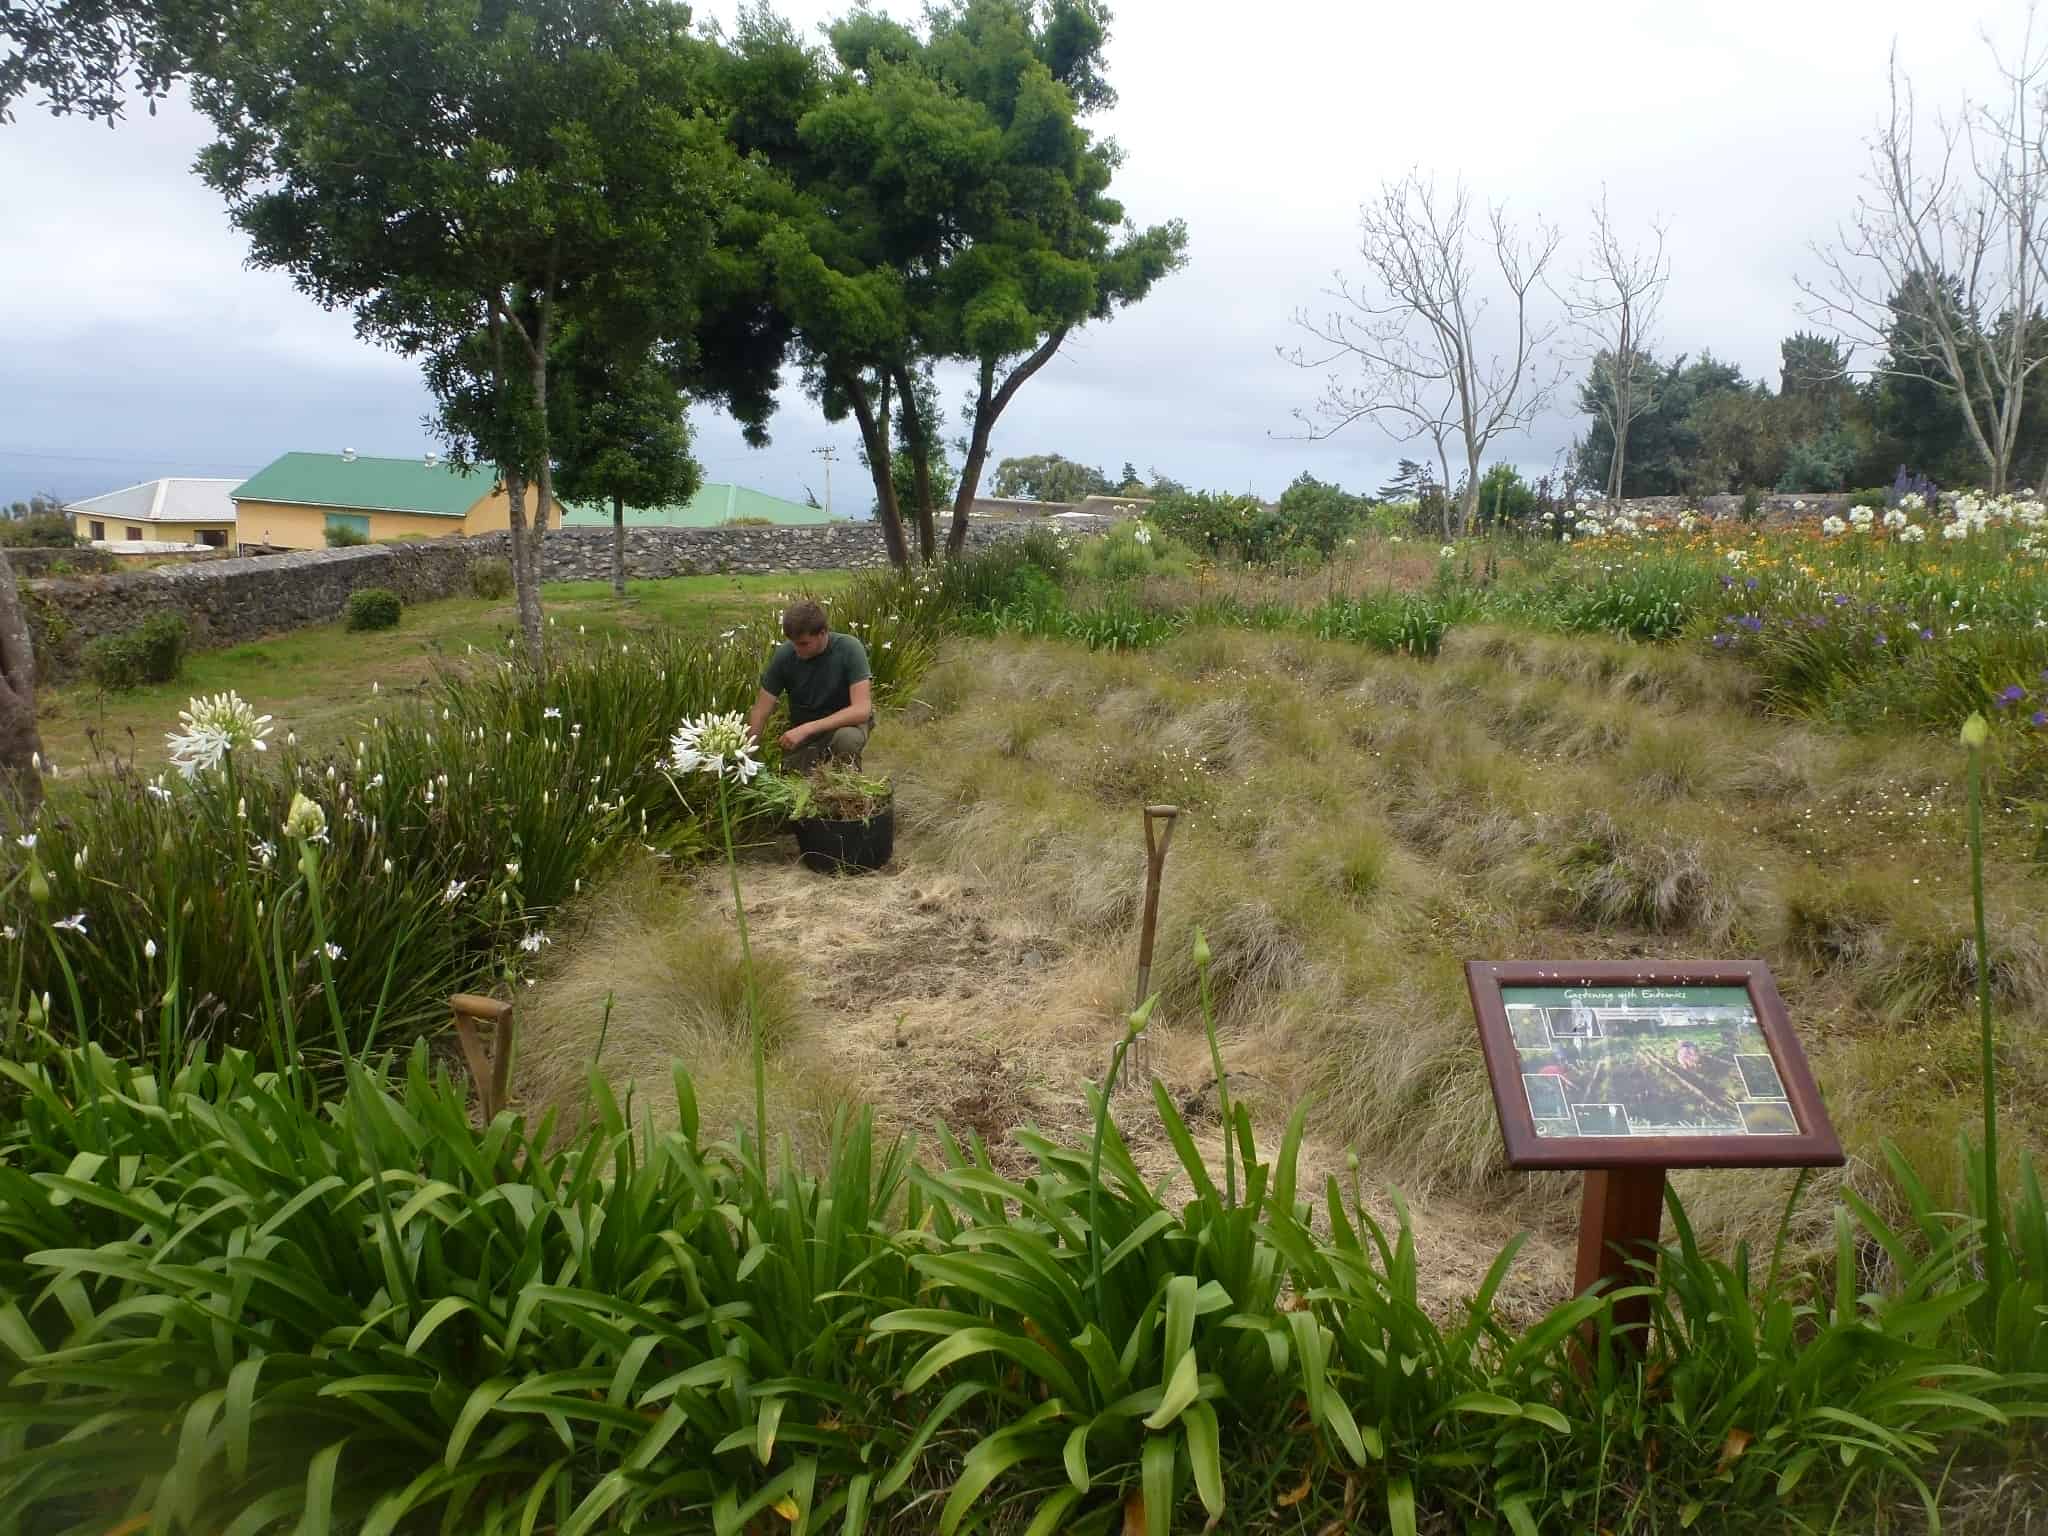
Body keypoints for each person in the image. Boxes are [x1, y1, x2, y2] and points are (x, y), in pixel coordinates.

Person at [747, 599, 873, 772]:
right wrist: (747, 754)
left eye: (804, 643)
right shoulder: (785, 655)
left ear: (823, 633)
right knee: (791, 780)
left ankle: (847, 789)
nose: (797, 650)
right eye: (793, 643)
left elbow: (862, 710)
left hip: (845, 725)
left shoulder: (849, 649)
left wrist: (807, 728)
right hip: (804, 729)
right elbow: (761, 710)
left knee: (846, 740)